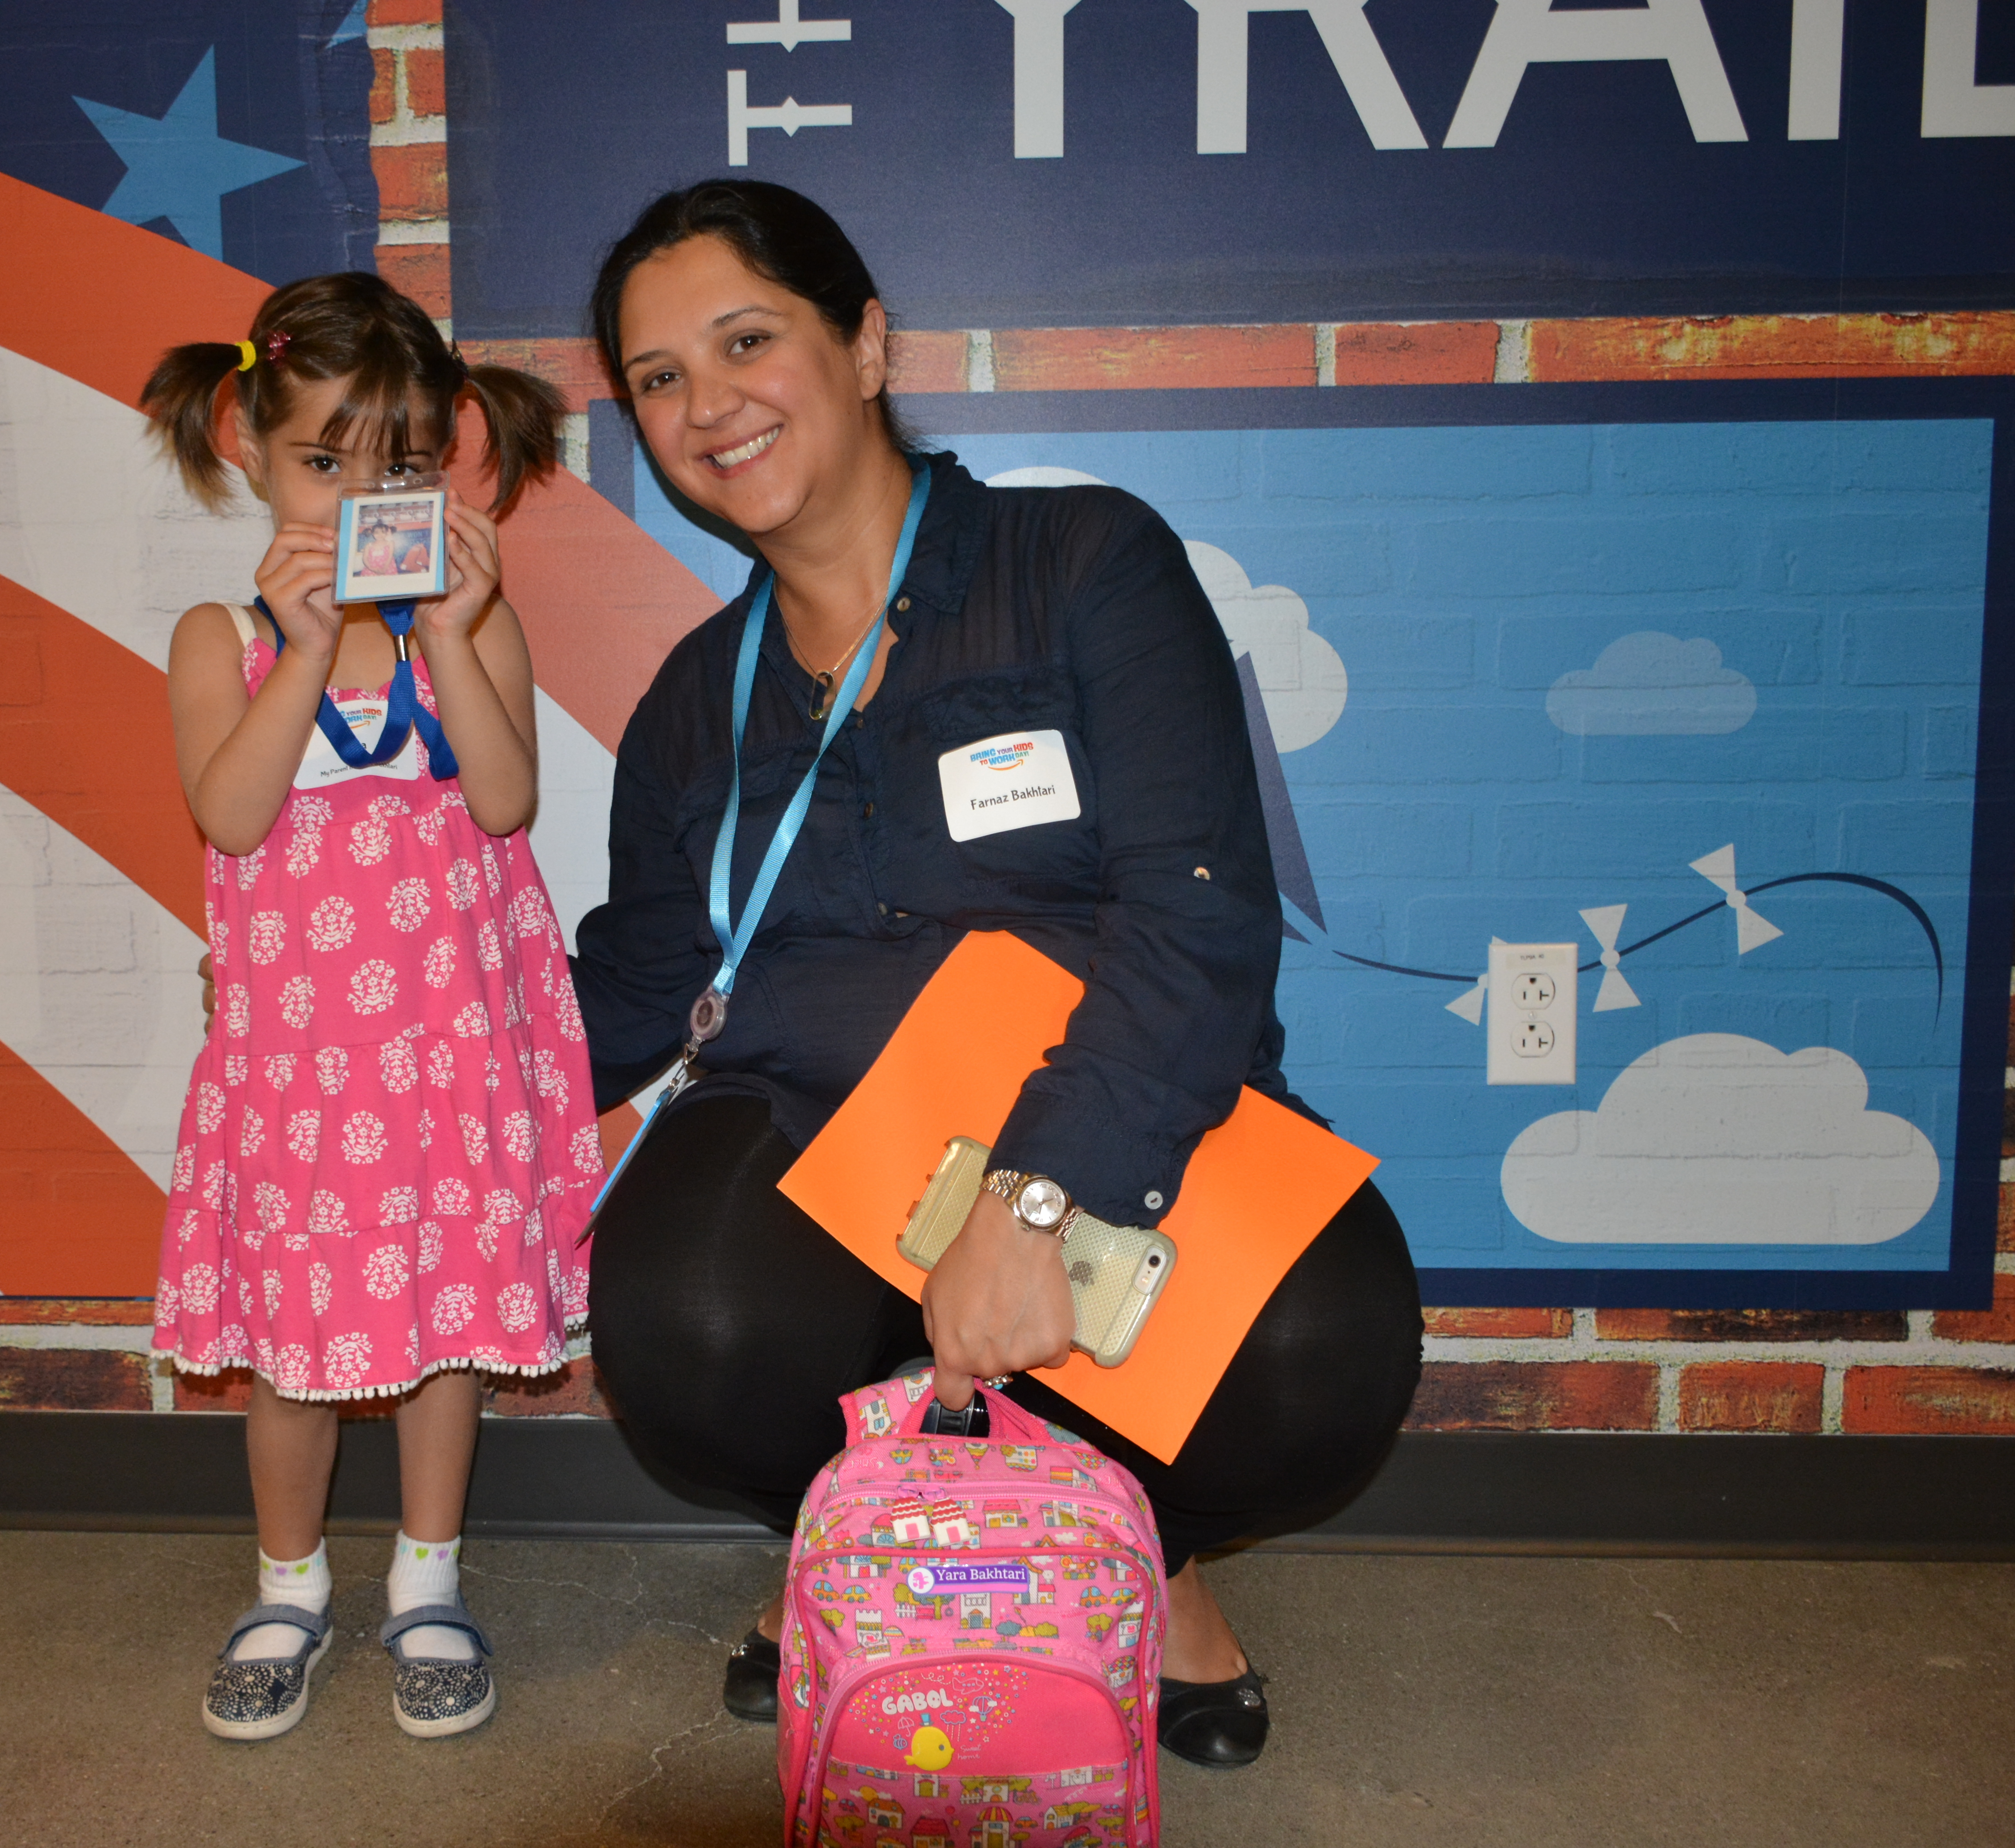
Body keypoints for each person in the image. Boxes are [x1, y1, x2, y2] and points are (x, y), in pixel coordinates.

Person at [572, 182, 1423, 1769]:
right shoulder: (696, 700)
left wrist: (1038, 1200)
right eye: (661, 378)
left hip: (1106, 1108)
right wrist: (373, 1044)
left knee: (1325, 1354)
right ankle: (851, 1530)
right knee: (681, 1324)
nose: (708, 405)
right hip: (813, 1132)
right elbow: (639, 978)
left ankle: (1137, 1555)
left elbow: (1201, 911)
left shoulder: (1084, 559)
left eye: (746, 341)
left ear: (868, 341)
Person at [140, 273, 601, 1744]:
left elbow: (510, 795)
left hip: (443, 1067)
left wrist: (452, 631)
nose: (355, 493)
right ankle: (288, 1587)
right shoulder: (220, 637)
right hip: (298, 1077)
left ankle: (425, 1579)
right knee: (292, 1345)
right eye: (321, 461)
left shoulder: (466, 631)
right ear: (252, 452)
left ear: (442, 465)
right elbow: (229, 813)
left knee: (440, 1338)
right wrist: (296, 640)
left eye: (394, 464)